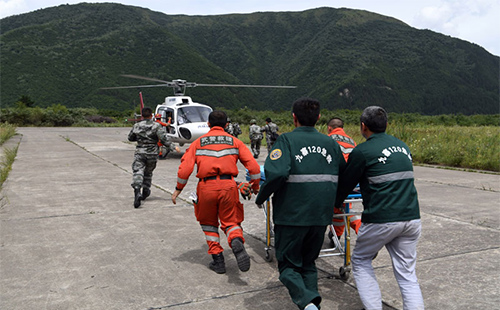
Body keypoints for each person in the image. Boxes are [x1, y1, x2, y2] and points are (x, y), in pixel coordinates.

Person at [255, 98, 345, 310]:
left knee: (287, 267)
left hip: (292, 216)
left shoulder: (286, 141)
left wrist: (261, 197)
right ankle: (313, 305)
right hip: (320, 216)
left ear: (293, 117)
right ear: (319, 118)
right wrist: (337, 202)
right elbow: (344, 174)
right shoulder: (331, 143)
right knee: (308, 264)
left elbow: (276, 173)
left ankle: (308, 304)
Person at [335, 106, 424, 310]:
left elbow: (346, 184)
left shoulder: (363, 151)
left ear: (363, 126)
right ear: (386, 125)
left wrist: (335, 203)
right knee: (407, 274)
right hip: (411, 217)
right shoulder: (402, 146)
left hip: (382, 218)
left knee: (360, 259)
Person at [171, 110, 261, 274]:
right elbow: (254, 168)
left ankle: (218, 260)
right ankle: (235, 239)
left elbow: (185, 169)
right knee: (231, 221)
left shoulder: (197, 143)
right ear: (227, 125)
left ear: (208, 124)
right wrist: (255, 186)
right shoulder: (235, 142)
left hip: (206, 188)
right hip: (229, 186)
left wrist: (178, 189)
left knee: (208, 223)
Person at [128, 107, 176, 208]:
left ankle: (137, 191)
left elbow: (130, 138)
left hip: (140, 153)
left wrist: (140, 137)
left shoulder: (137, 125)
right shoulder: (156, 126)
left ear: (142, 116)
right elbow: (163, 139)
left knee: (138, 171)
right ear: (151, 115)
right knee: (148, 173)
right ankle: (145, 190)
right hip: (152, 154)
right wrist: (172, 147)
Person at [327, 117, 361, 243]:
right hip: (351, 183)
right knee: (345, 208)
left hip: (334, 183)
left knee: (338, 209)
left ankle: (337, 234)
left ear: (329, 128)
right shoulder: (352, 141)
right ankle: (338, 234)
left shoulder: (327, 140)